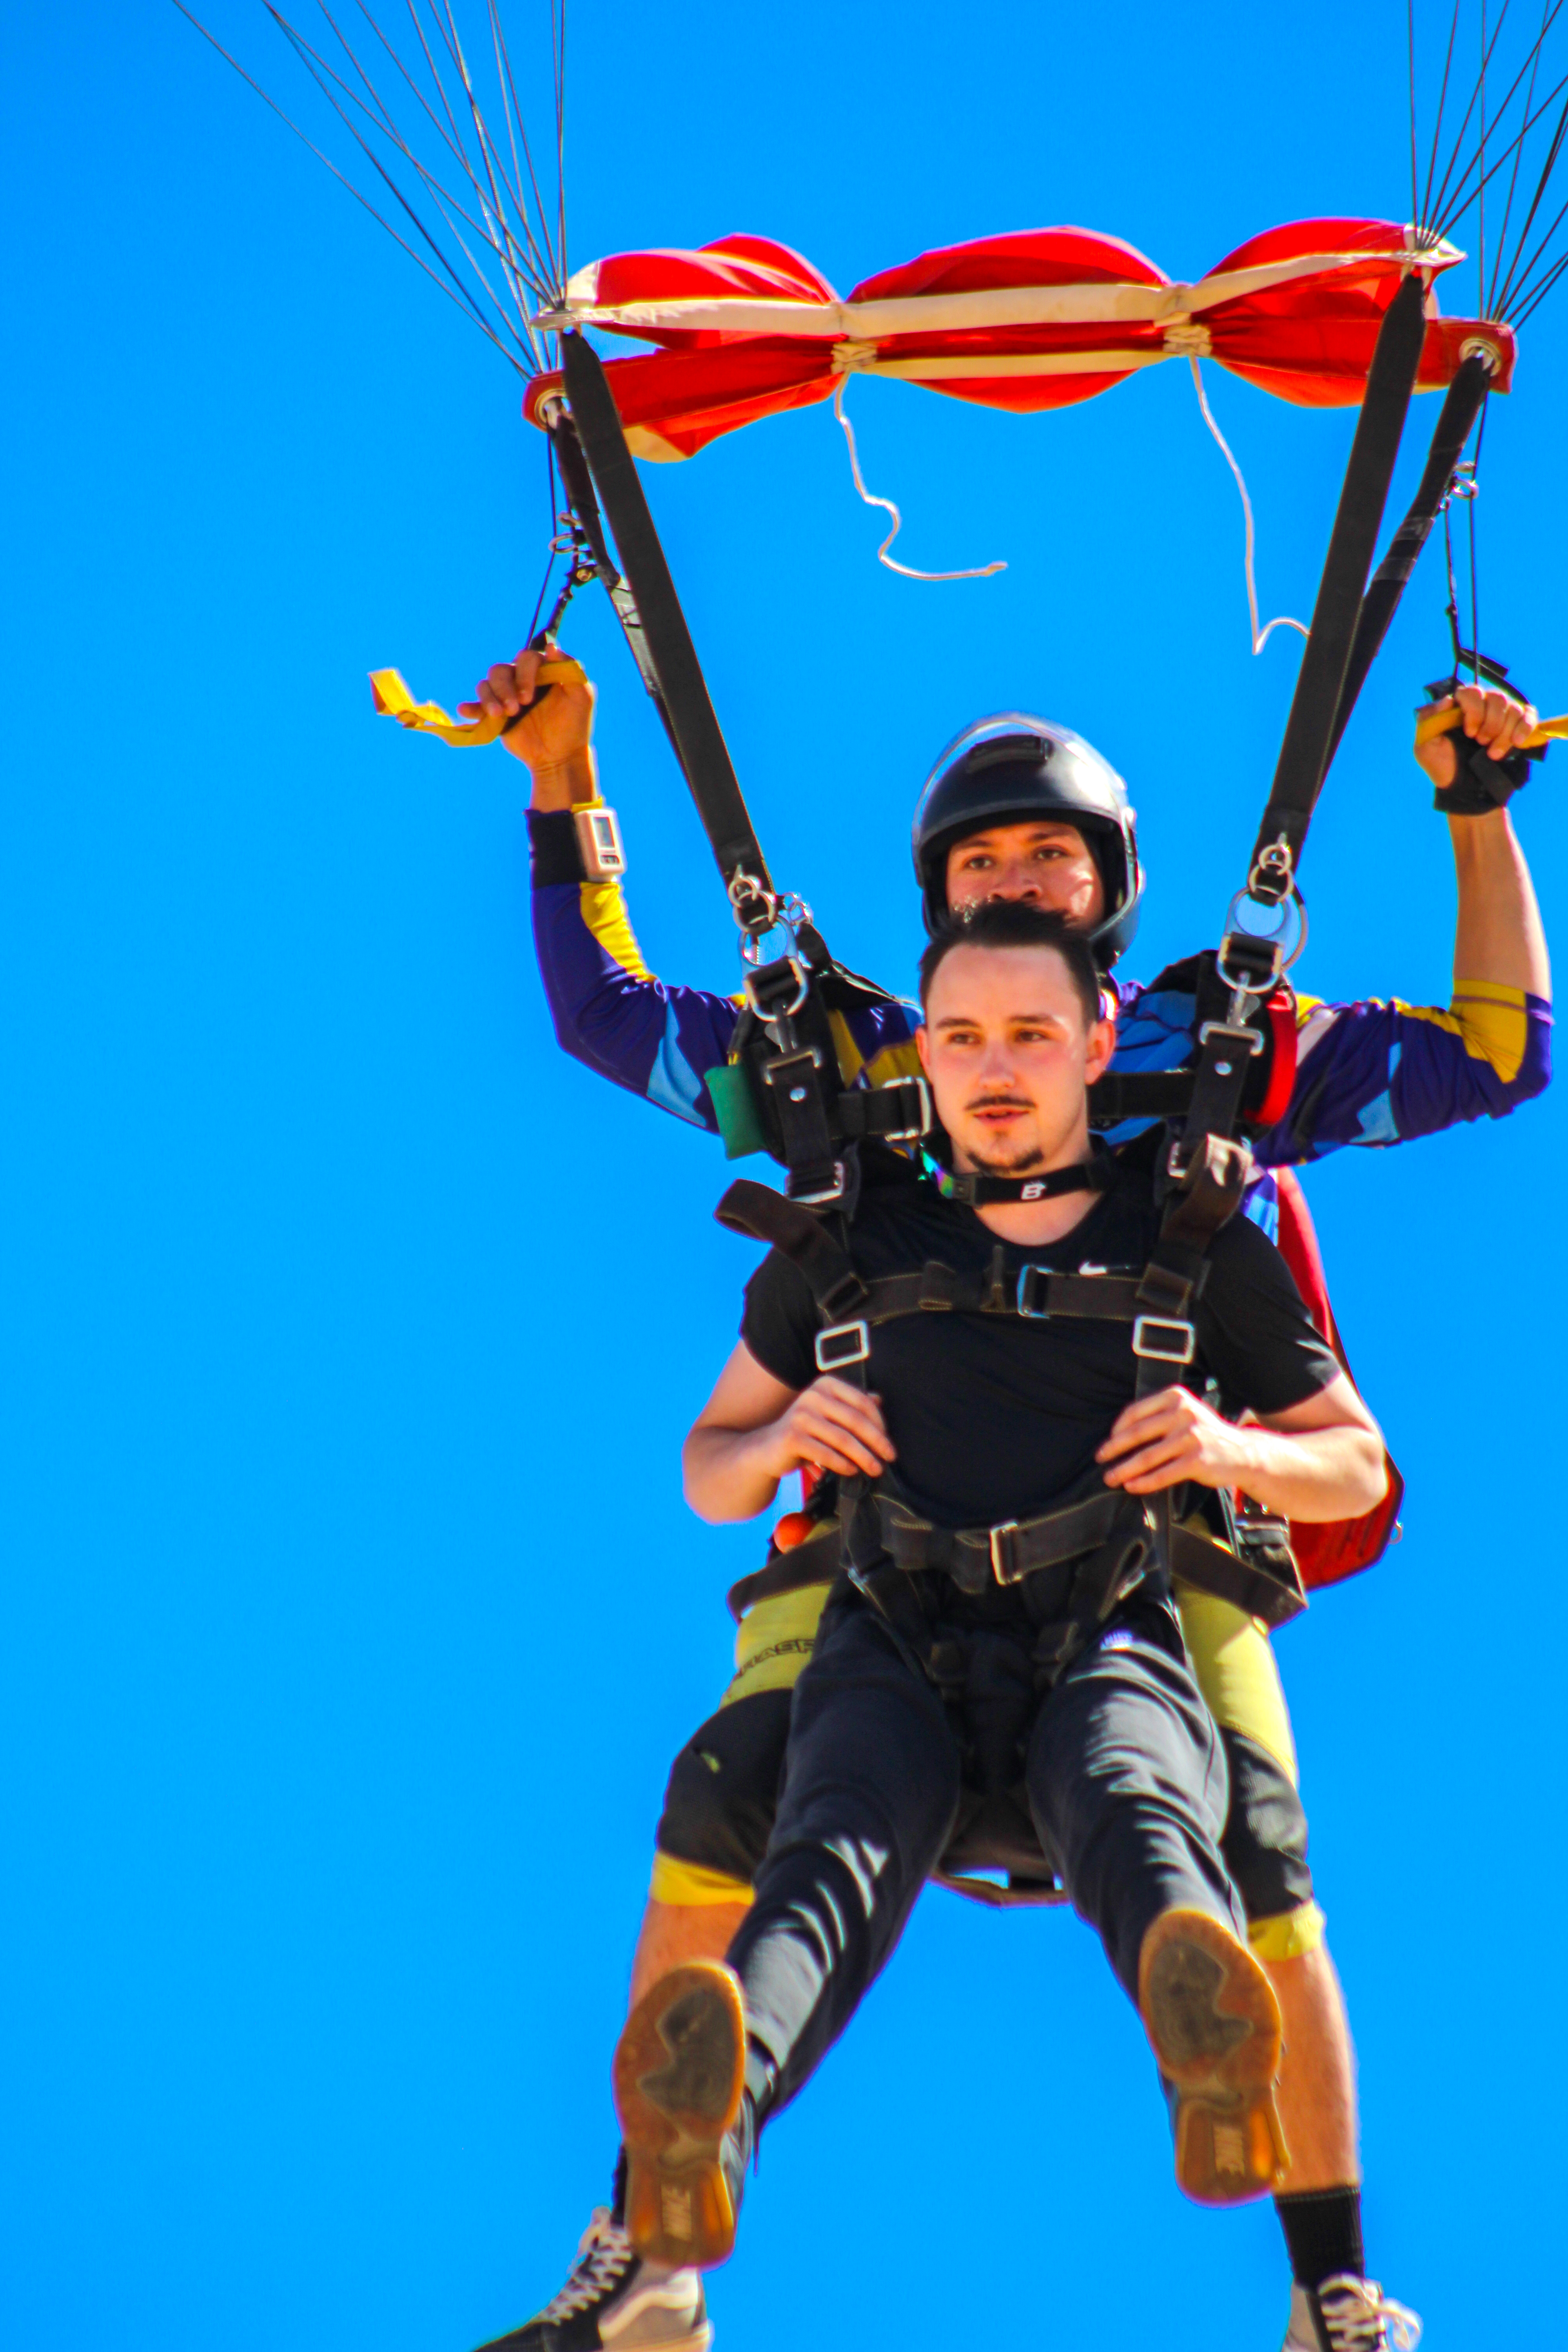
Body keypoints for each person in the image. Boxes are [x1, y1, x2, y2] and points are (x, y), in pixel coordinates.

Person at [468, 651, 1548, 2352]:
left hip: (1150, 1535)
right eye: (980, 863)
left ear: (1111, 896)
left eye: (1049, 858)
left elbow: (1499, 1051)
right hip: (884, 1542)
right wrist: (562, 783)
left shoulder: (1221, 1051)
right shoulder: (865, 1070)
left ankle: (1330, 2284)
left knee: (1249, 1833)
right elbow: (609, 1020)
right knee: (727, 1796)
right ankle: (646, 2250)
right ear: (935, 906)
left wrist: (1478, 821)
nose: (1014, 880)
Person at [621, 904, 1390, 2327]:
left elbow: (1353, 1458)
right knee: (831, 1841)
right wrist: (792, 1422)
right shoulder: (851, 1240)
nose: (995, 1068)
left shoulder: (1196, 1237)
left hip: (1104, 1632)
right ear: (923, 1051)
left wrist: (1231, 1454)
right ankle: (710, 2119)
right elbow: (709, 1470)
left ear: (1099, 1045)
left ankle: (1206, 2047)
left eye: (1033, 1036)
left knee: (1133, 1792)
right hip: (893, 1641)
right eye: (963, 1036)